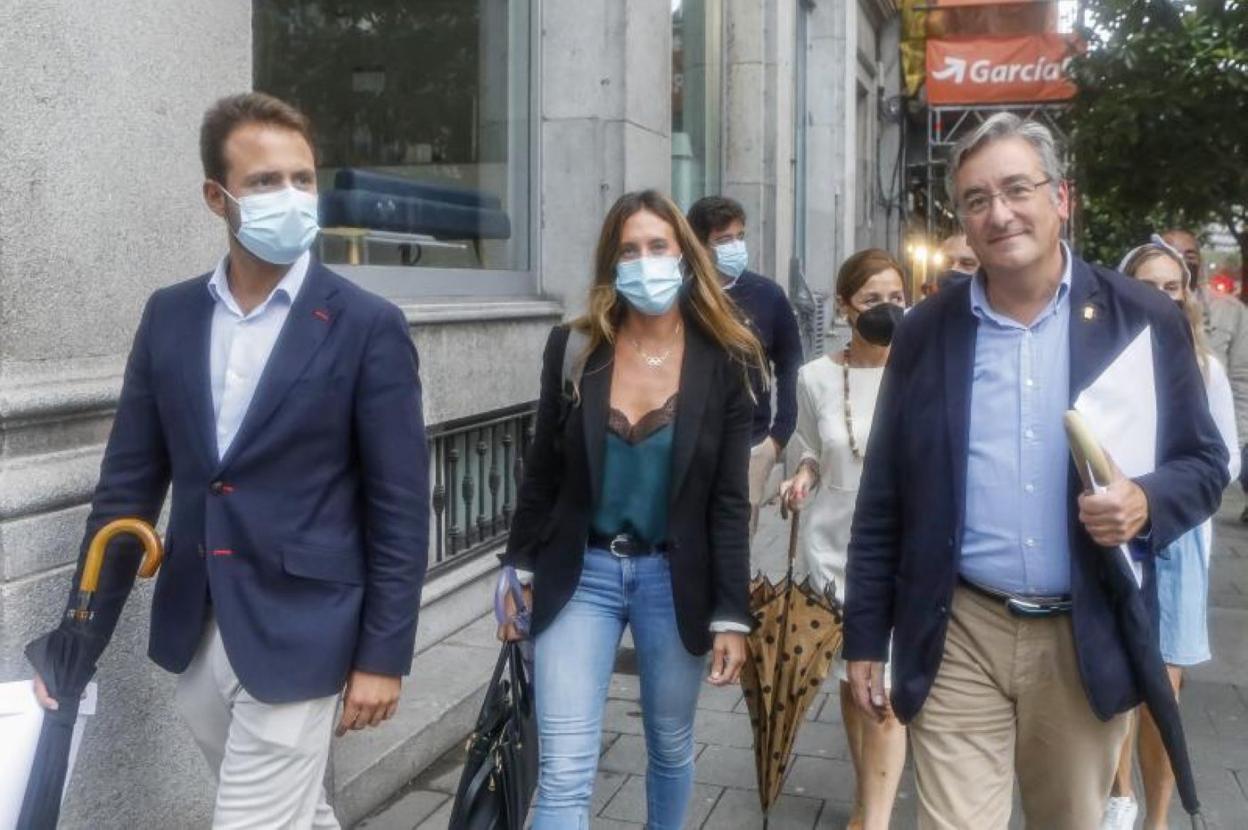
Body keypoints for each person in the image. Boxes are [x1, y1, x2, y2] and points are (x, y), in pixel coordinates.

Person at [27, 93, 430, 829]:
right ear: (218, 197)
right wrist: (79, 640)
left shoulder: (368, 326)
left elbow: (399, 506)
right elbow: (127, 487)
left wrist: (383, 654)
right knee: (297, 815)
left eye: (303, 179)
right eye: (265, 182)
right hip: (201, 625)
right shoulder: (171, 315)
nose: (291, 198)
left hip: (306, 628)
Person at [843, 113, 1228, 828]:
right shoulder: (929, 330)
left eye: (1017, 188)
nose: (999, 213)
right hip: (959, 627)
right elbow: (884, 495)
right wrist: (865, 636)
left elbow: (1207, 464)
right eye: (977, 199)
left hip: (1082, 635)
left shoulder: (1140, 319)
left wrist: (1144, 501)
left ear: (1061, 197)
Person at [499, 190, 763, 829]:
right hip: (579, 573)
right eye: (629, 250)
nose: (644, 261)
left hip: (674, 579)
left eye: (657, 247)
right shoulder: (575, 348)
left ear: (685, 256)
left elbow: (729, 501)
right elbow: (542, 468)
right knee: (563, 772)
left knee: (670, 745)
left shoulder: (726, 359)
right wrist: (517, 566)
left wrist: (732, 612)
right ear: (610, 264)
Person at [1102, 238, 1241, 830]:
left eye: (1172, 286)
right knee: (1111, 676)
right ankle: (1117, 795)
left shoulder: (1203, 367)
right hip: (1109, 534)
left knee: (1163, 687)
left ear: (1186, 296)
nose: (1160, 297)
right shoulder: (1103, 360)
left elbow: (1224, 459)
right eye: (1147, 285)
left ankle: (1156, 817)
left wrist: (1158, 494)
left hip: (1177, 538)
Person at [779, 249, 907, 830]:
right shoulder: (814, 377)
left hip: (901, 555)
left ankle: (873, 820)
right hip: (830, 552)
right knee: (855, 686)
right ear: (845, 306)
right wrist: (801, 477)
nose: (888, 310)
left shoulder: (924, 371)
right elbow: (810, 446)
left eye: (897, 298)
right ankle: (865, 800)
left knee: (885, 698)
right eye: (874, 300)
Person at [686, 196, 803, 541]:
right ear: (699, 246)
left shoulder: (768, 295)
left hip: (751, 445)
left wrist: (778, 438)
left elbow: (791, 366)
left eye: (740, 236)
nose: (735, 246)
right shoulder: (681, 297)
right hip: (689, 446)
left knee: (736, 550)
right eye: (723, 240)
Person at [1162, 228, 1248, 522]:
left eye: (1190, 255)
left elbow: (1241, 377)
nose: (1183, 260)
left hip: (1208, 444)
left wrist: (1239, 439)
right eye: (1173, 252)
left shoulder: (1230, 311)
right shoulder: (1135, 305)